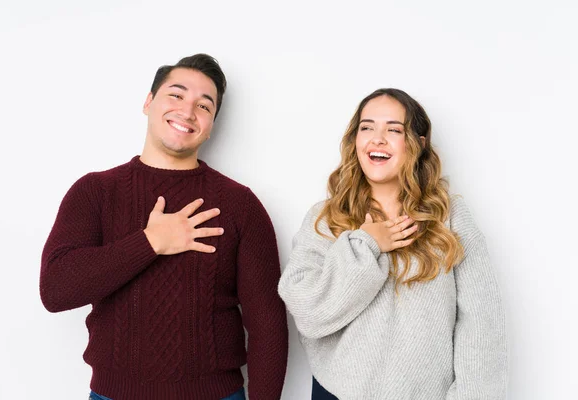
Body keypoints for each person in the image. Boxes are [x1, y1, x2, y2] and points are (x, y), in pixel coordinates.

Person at [40, 53, 289, 400]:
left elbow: (268, 325)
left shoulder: (239, 205)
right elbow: (55, 290)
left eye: (204, 106)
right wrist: (150, 242)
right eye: (176, 95)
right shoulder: (95, 192)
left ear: (212, 122)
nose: (188, 112)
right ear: (148, 102)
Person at [278, 88, 507, 399]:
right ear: (355, 140)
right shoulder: (326, 218)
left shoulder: (448, 217)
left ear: (418, 143)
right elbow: (307, 311)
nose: (378, 139)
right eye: (367, 127)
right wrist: (365, 245)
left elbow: (481, 323)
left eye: (394, 130)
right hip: (337, 394)